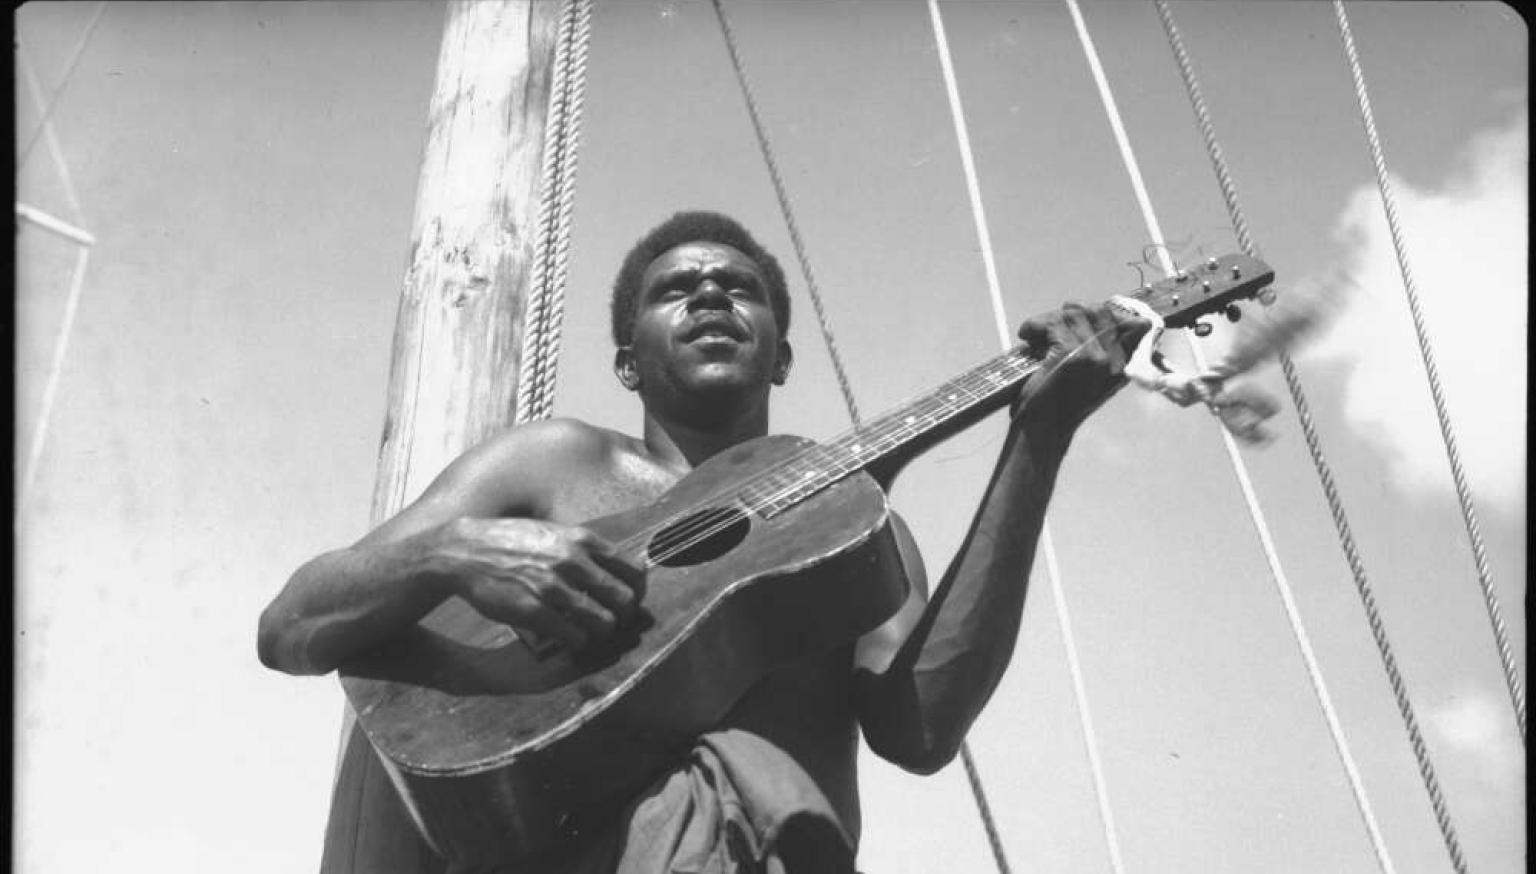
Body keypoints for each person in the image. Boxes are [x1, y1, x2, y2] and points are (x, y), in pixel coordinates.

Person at [258, 210, 1148, 874]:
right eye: (675, 290)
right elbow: (291, 626)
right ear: (628, 364)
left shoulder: (851, 527)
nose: (712, 295)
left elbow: (918, 731)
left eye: (740, 287)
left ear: (782, 357)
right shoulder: (551, 464)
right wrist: (452, 551)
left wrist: (1038, 442)